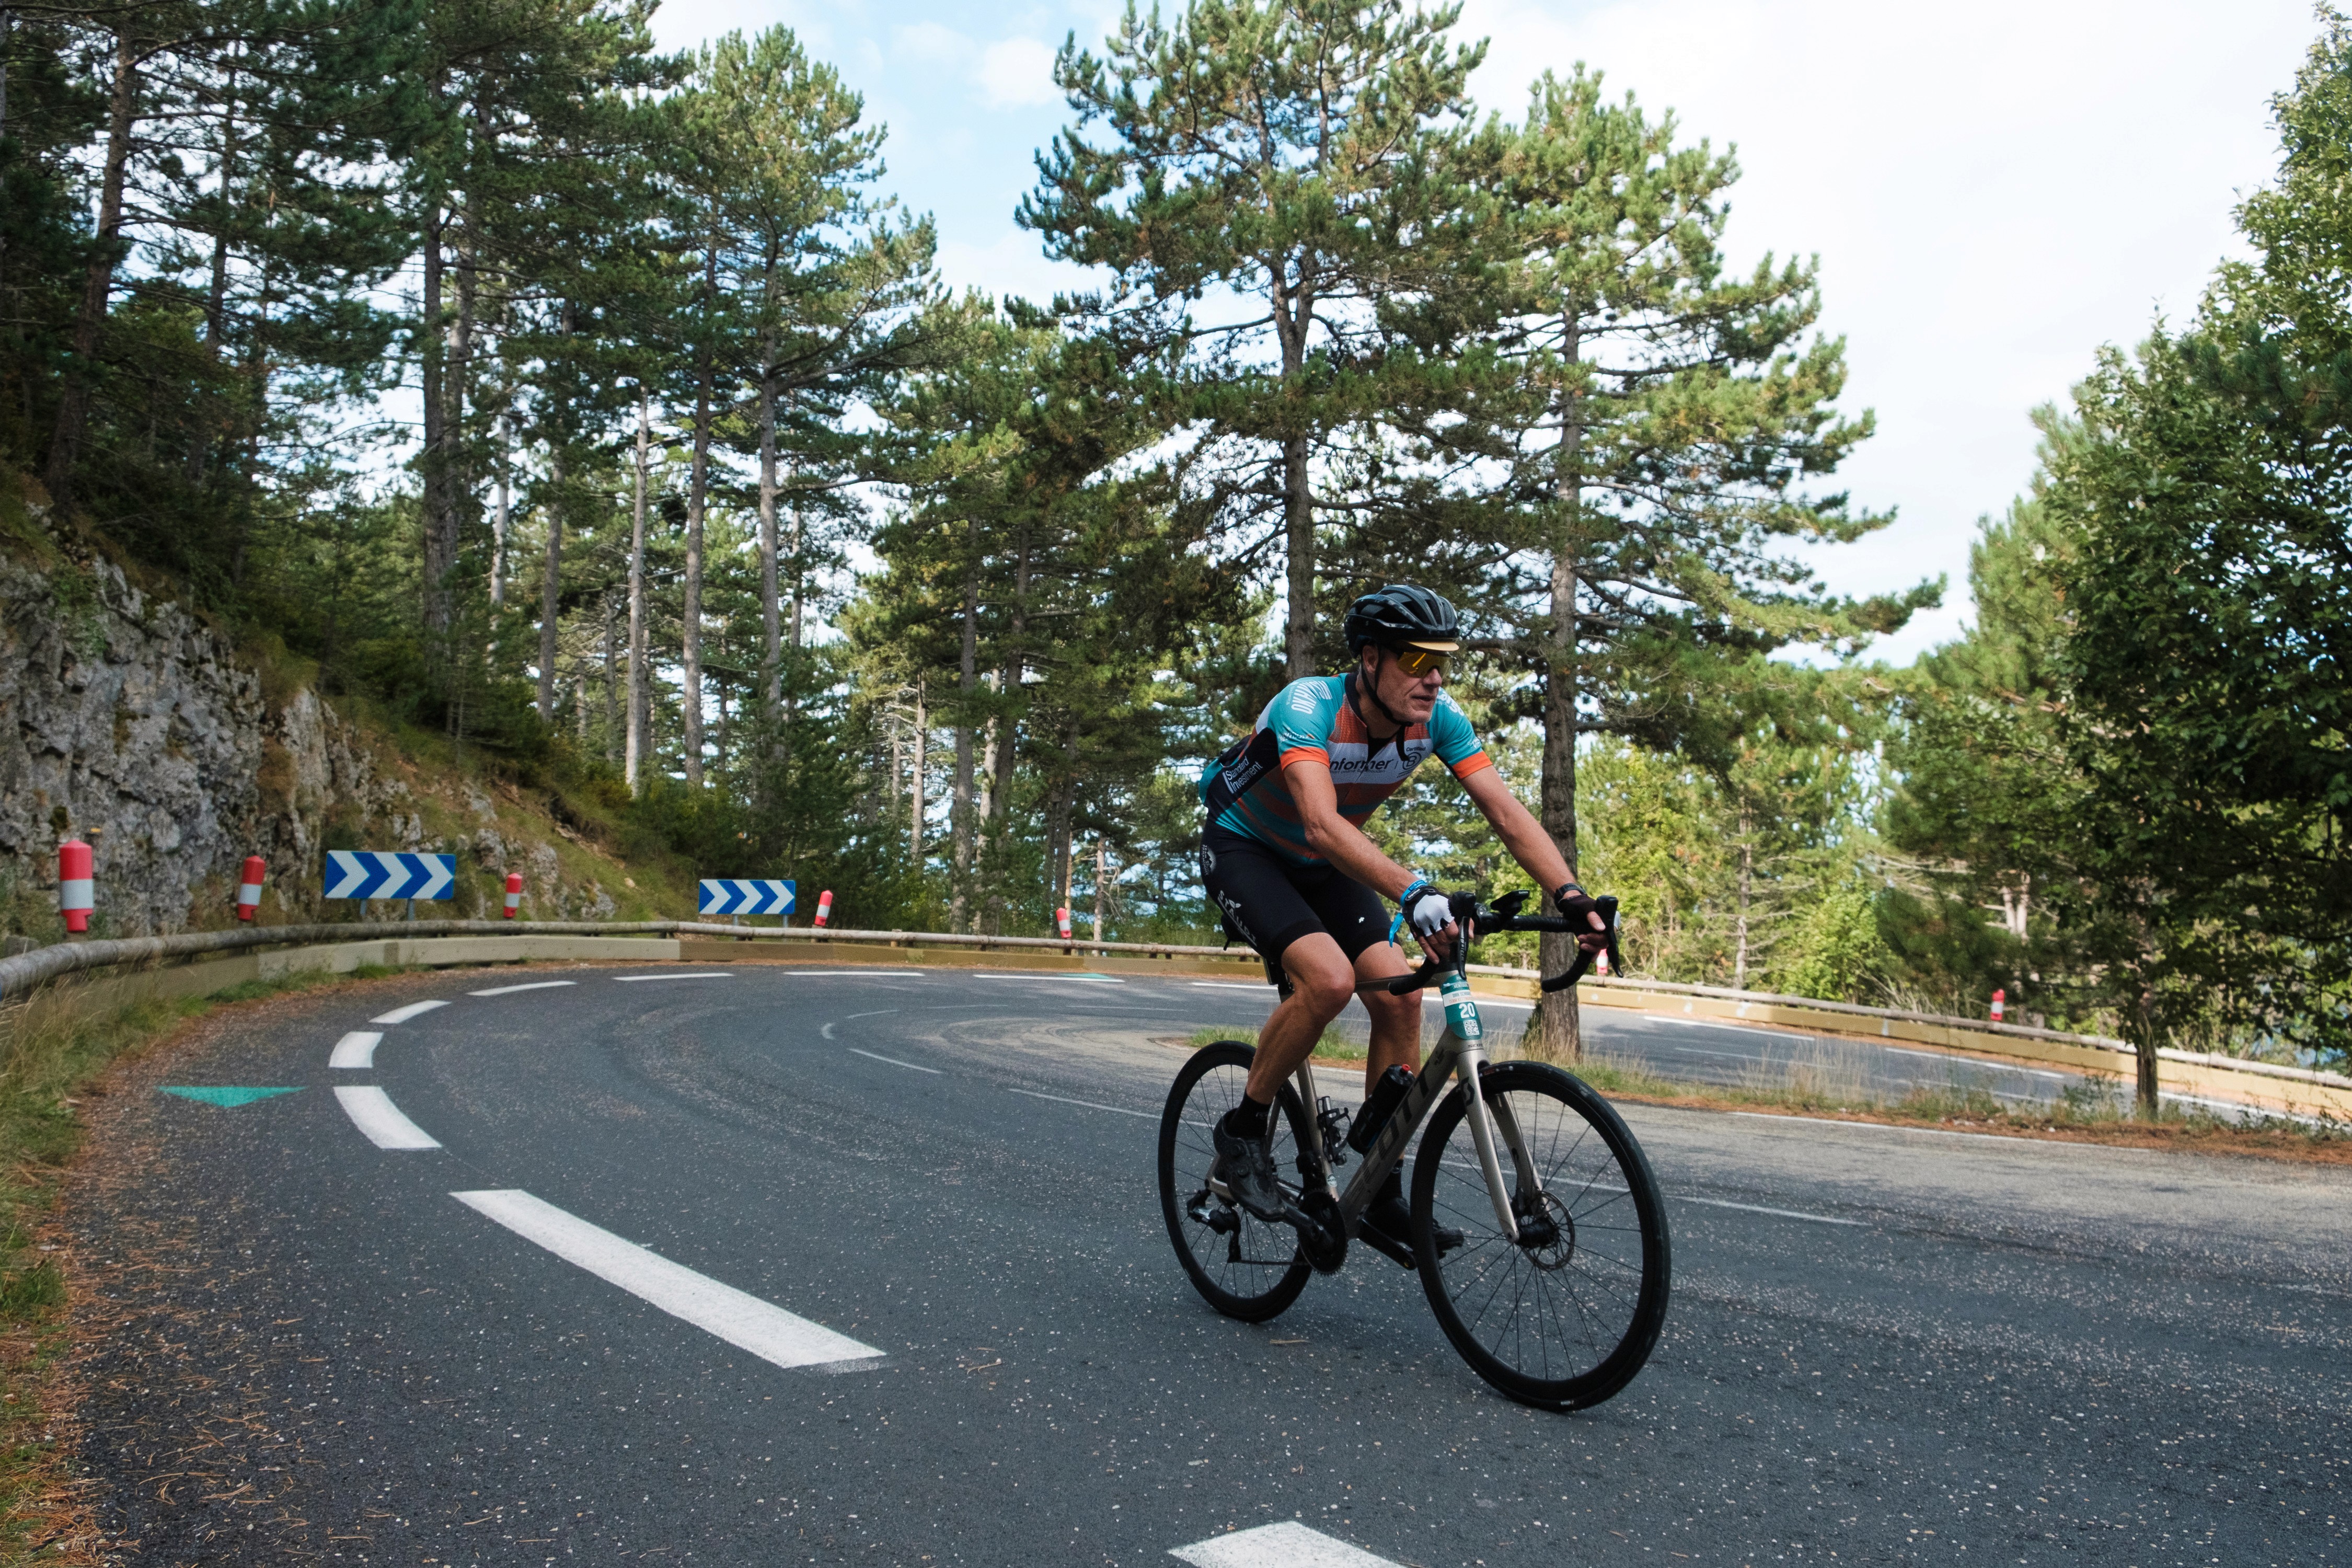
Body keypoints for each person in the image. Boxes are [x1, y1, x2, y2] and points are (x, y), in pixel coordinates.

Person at [1198, 583, 1607, 1248]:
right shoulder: (1309, 707)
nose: (1434, 677)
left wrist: (1571, 895)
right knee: (1329, 981)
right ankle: (1243, 1131)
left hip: (1325, 864)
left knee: (1401, 999)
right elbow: (1321, 823)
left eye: (1441, 661)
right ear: (1370, 658)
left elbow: (1507, 814)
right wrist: (1414, 891)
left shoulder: (1440, 720)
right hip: (1248, 849)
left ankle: (1381, 1192)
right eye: (1416, 660)